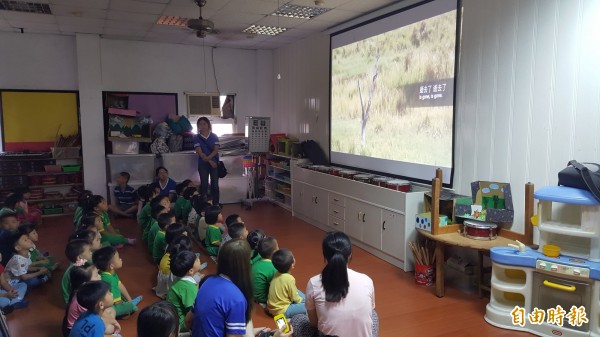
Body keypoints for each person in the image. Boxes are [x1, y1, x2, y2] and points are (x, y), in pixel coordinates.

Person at [185, 240, 293, 337]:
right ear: (245, 265)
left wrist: (246, 332)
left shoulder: (207, 282)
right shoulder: (237, 298)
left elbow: (188, 321)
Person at [304, 231, 377, 337]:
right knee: (374, 315)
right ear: (350, 255)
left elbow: (314, 323)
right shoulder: (367, 281)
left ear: (324, 255)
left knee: (299, 319)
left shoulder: (314, 283)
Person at [63, 262, 120, 337]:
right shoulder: (97, 323)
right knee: (110, 328)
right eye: (96, 275)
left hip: (86, 327)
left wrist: (113, 321)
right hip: (73, 331)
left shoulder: (87, 305)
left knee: (111, 311)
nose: (100, 276)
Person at [93, 246, 142, 317]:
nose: (121, 259)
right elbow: (117, 302)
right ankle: (123, 313)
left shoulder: (109, 273)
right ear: (111, 266)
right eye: (118, 258)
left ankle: (130, 304)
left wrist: (129, 300)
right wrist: (130, 305)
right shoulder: (109, 279)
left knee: (127, 301)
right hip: (109, 306)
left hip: (110, 300)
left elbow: (120, 286)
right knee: (131, 307)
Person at [167, 250, 202, 332]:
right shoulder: (188, 287)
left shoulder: (179, 278)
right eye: (196, 260)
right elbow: (194, 311)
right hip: (181, 323)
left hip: (172, 319)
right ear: (190, 271)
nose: (199, 259)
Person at [267, 248, 306, 318]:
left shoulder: (277, 273)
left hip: (272, 307)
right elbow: (295, 298)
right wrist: (302, 301)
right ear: (292, 265)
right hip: (282, 311)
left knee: (297, 291)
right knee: (307, 306)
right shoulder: (289, 279)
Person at [193, 117, 220, 206]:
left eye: (204, 123)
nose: (202, 126)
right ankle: (203, 204)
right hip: (203, 164)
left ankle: (216, 204)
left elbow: (216, 150)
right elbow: (200, 152)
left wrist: (211, 160)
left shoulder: (214, 136)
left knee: (215, 185)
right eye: (200, 124)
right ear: (198, 126)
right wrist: (210, 161)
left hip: (214, 163)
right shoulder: (196, 137)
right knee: (204, 184)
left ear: (208, 124)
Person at [251, 236, 278, 306]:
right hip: (263, 298)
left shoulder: (256, 259)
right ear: (274, 252)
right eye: (278, 247)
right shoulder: (273, 267)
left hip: (253, 294)